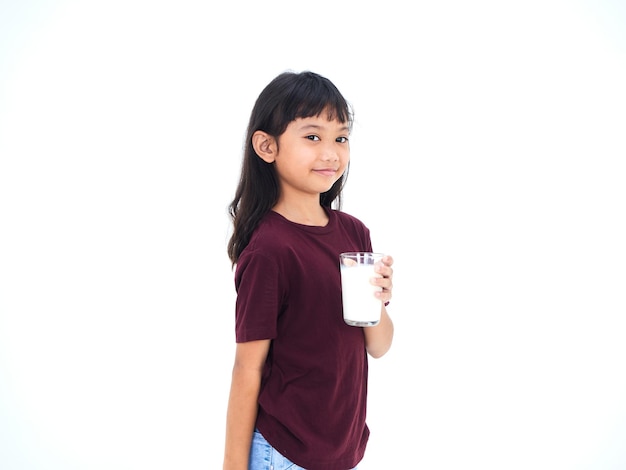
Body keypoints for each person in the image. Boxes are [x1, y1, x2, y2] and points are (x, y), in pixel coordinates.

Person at [223, 70, 395, 470]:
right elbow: (247, 368)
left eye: (341, 137)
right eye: (313, 136)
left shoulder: (354, 233)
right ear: (267, 146)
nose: (331, 152)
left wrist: (378, 300)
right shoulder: (270, 250)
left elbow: (380, 345)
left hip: (341, 452)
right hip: (284, 453)